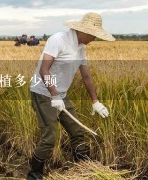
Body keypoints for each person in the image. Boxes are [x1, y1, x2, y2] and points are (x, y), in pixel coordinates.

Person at [28, 12, 115, 179]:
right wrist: (54, 95)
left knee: (77, 132)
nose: (94, 39)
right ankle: (34, 174)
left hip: (61, 94)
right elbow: (44, 70)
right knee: (49, 138)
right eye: (94, 35)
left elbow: (86, 76)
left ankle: (83, 170)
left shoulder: (80, 48)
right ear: (84, 32)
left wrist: (95, 101)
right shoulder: (58, 40)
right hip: (43, 93)